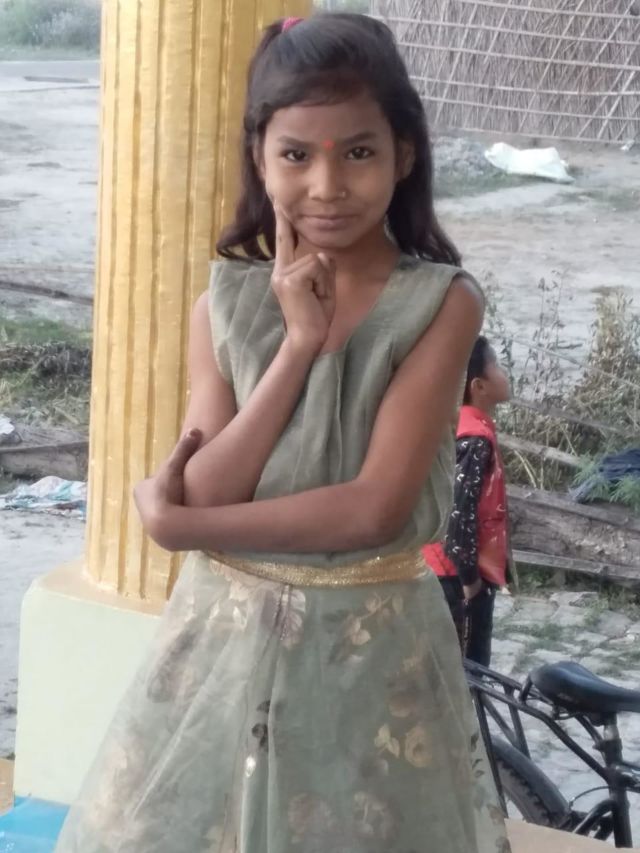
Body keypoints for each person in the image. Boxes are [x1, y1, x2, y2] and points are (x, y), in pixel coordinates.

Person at [55, 14, 511, 853]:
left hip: (369, 649)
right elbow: (208, 482)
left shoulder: (442, 303)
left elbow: (373, 508)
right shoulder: (223, 305)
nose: (327, 185)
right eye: (297, 154)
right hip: (219, 651)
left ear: (404, 154)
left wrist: (183, 525)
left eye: (358, 152)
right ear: (260, 160)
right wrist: (298, 346)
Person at [423, 337, 512, 667]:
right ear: (479, 386)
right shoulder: (474, 438)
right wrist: (470, 581)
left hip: (442, 569)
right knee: (468, 672)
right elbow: (458, 512)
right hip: (455, 577)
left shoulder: (454, 424)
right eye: (497, 365)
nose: (504, 373)